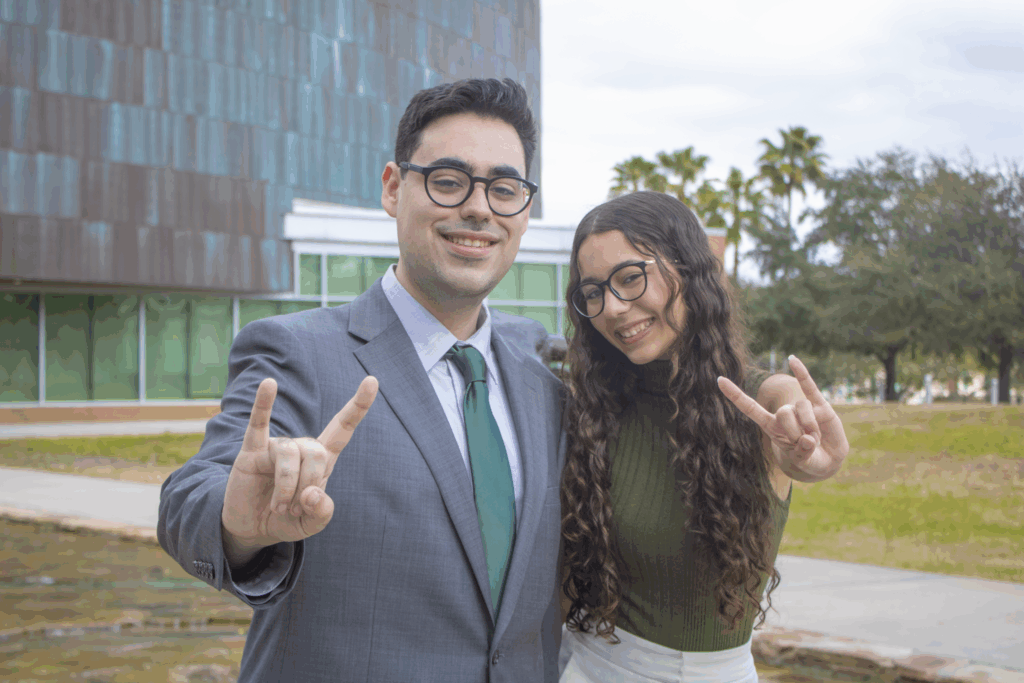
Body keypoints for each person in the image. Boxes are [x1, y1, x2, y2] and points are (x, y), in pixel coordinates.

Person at [158, 78, 565, 683]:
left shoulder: (540, 371)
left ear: (525, 211)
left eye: (504, 188)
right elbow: (193, 493)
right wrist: (237, 522)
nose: (479, 207)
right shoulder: (297, 351)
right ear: (395, 188)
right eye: (449, 181)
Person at [557, 191, 849, 682]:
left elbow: (785, 406)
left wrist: (806, 450)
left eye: (631, 278)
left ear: (688, 269)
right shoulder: (589, 407)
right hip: (583, 665)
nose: (612, 308)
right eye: (592, 292)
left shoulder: (754, 404)